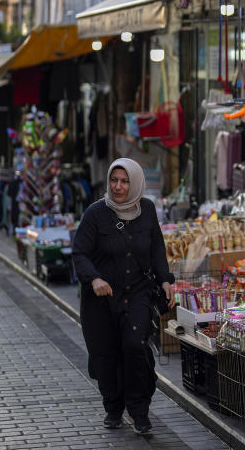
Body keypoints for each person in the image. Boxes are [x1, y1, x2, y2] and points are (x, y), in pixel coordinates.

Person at [72, 158, 175, 434]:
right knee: (106, 355)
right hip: (102, 299)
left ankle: (139, 411)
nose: (118, 187)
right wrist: (93, 278)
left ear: (135, 182)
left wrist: (165, 280)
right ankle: (113, 407)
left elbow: (156, 249)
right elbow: (79, 252)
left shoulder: (148, 210)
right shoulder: (96, 214)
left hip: (138, 292)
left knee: (135, 347)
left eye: (125, 181)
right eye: (114, 180)